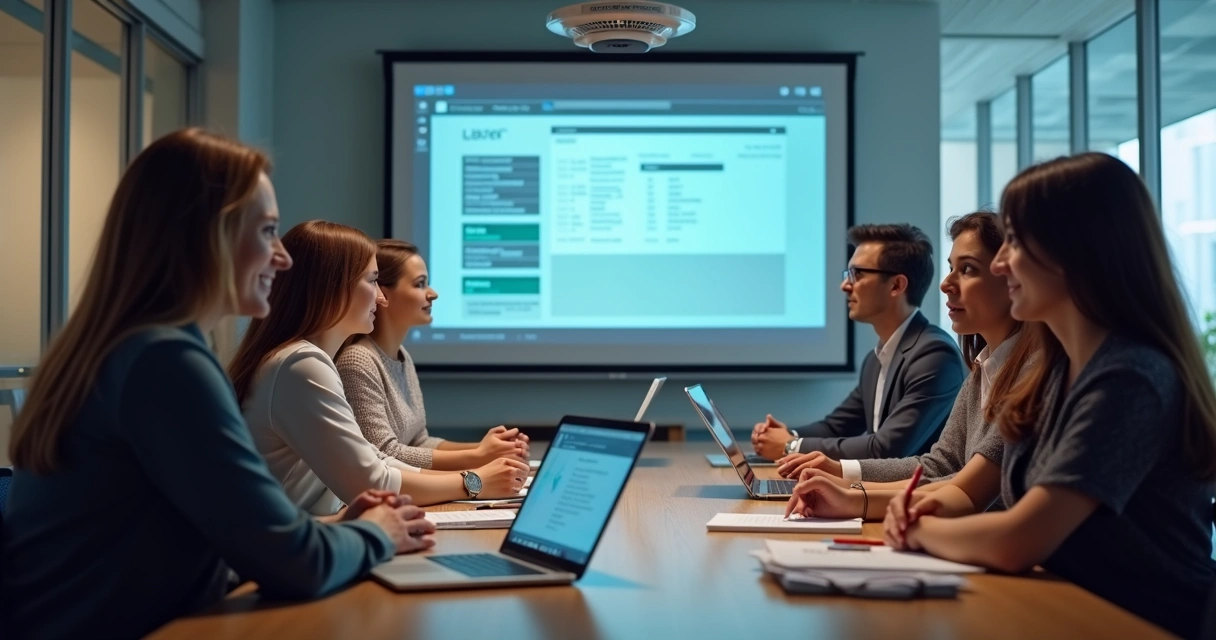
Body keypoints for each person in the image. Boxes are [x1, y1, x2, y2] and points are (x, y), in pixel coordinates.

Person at [0, 129, 433, 640]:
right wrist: (374, 535)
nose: (283, 258)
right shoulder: (164, 362)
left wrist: (338, 530)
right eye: (267, 231)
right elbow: (294, 565)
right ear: (206, 235)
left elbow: (227, 540)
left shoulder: (123, 346)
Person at [883, 153, 1216, 640]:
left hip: (1127, 623)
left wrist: (917, 530)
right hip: (1055, 608)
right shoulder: (1058, 372)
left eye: (1014, 242)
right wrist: (924, 513)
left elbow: (1019, 539)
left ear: (1075, 252)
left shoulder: (1131, 377)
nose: (1000, 263)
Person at [228, 221, 529, 515]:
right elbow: (371, 483)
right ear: (331, 286)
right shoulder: (301, 364)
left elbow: (377, 460)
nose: (381, 297)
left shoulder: (302, 360)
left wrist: (474, 474)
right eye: (372, 281)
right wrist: (473, 482)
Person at [780, 212, 1037, 521]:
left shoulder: (1029, 372)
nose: (945, 284)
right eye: (951, 268)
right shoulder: (982, 370)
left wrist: (853, 496)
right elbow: (939, 467)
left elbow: (967, 491)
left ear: (1014, 280)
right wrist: (841, 477)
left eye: (967, 269)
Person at [751, 223, 967, 462]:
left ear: (896, 285)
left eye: (858, 274)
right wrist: (783, 435)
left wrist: (791, 446)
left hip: (911, 496)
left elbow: (885, 450)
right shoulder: (876, 359)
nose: (845, 285)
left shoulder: (934, 356)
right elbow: (836, 427)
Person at [336, 240, 530, 470]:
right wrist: (478, 456)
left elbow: (419, 442)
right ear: (382, 293)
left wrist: (489, 449)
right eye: (420, 285)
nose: (433, 293)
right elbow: (384, 454)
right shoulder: (357, 361)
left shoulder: (402, 356)